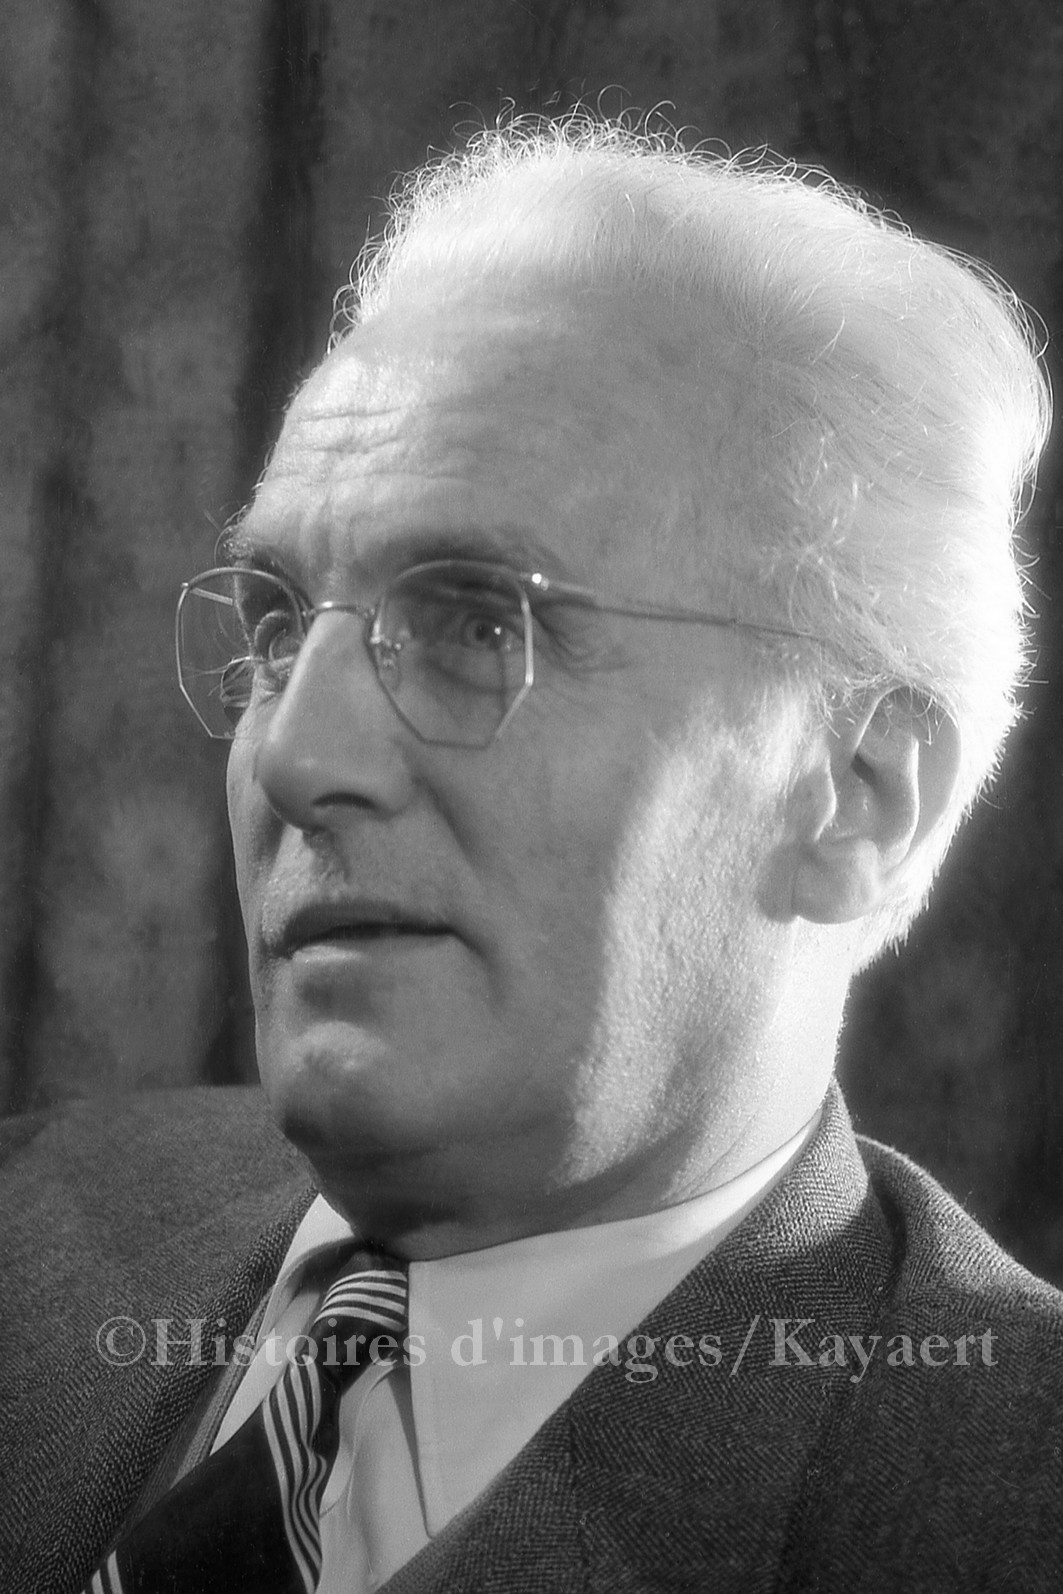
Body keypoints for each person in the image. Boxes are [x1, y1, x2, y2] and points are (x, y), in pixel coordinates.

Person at [2, 115, 1060, 1593]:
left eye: (477, 623)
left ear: (859, 795)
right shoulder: (32, 1217)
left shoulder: (1008, 1510)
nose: (294, 759)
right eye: (277, 625)